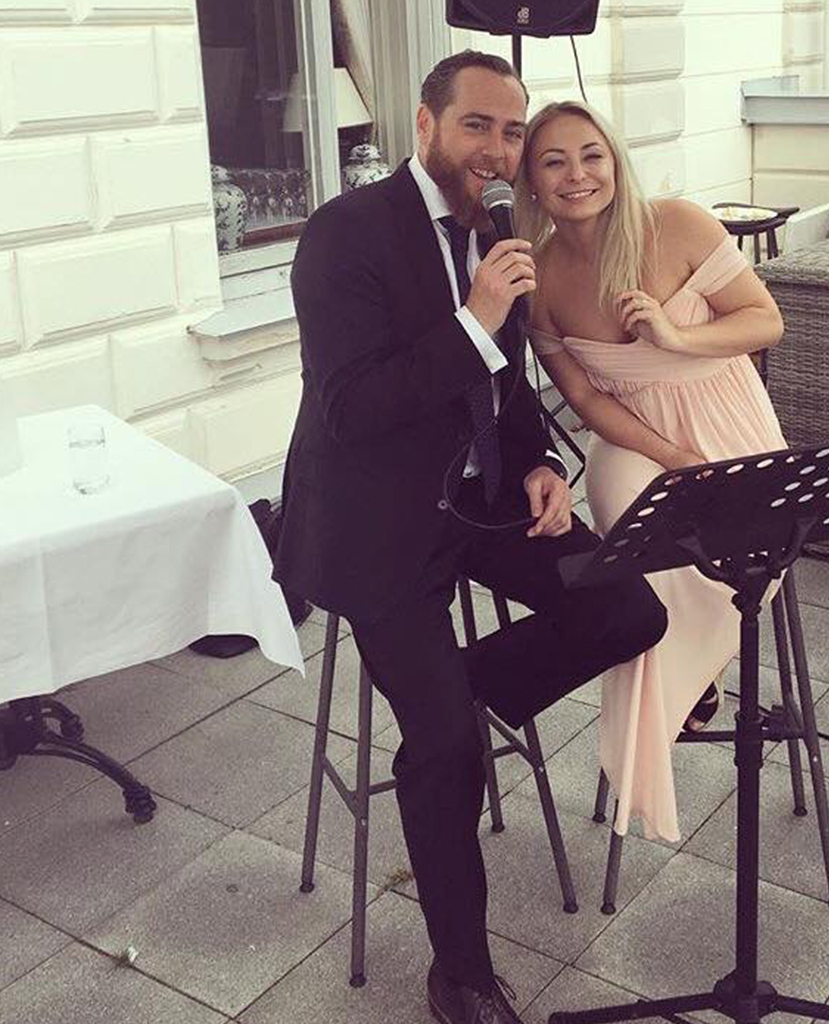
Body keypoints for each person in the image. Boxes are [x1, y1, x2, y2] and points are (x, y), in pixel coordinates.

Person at [273, 55, 667, 1024]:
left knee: (627, 606)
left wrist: (539, 463)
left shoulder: (496, 229)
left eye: (510, 131)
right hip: (376, 524)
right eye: (476, 126)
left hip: (481, 500)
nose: (497, 149)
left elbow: (503, 382)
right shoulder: (345, 233)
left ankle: (453, 708)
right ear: (425, 124)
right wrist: (474, 316)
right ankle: (461, 972)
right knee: (447, 746)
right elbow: (349, 408)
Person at [517, 100, 787, 844]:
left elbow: (765, 321)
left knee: (738, 558)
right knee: (636, 537)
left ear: (615, 160)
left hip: (726, 416)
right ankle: (678, 690)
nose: (577, 175)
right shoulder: (539, 277)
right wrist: (674, 459)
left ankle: (687, 686)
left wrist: (675, 334)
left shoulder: (678, 223)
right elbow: (583, 398)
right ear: (532, 181)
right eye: (553, 161)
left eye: (591, 154)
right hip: (634, 437)